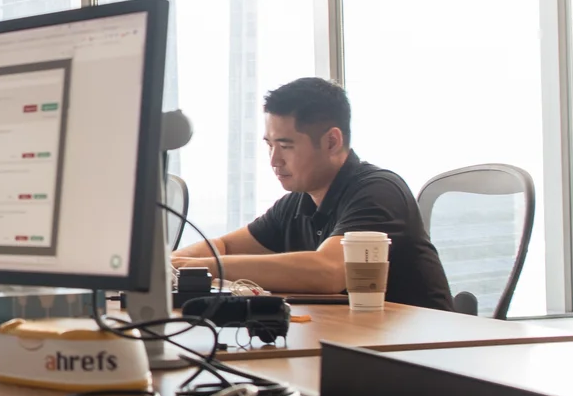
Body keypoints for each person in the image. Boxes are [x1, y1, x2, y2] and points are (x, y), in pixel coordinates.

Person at [170, 77, 454, 310]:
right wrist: (169, 267)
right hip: (351, 345)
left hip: (422, 358)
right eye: (269, 145)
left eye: (286, 146)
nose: (273, 160)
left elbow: (328, 272)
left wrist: (195, 268)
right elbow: (225, 247)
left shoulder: (379, 191)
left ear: (332, 142)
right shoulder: (297, 202)